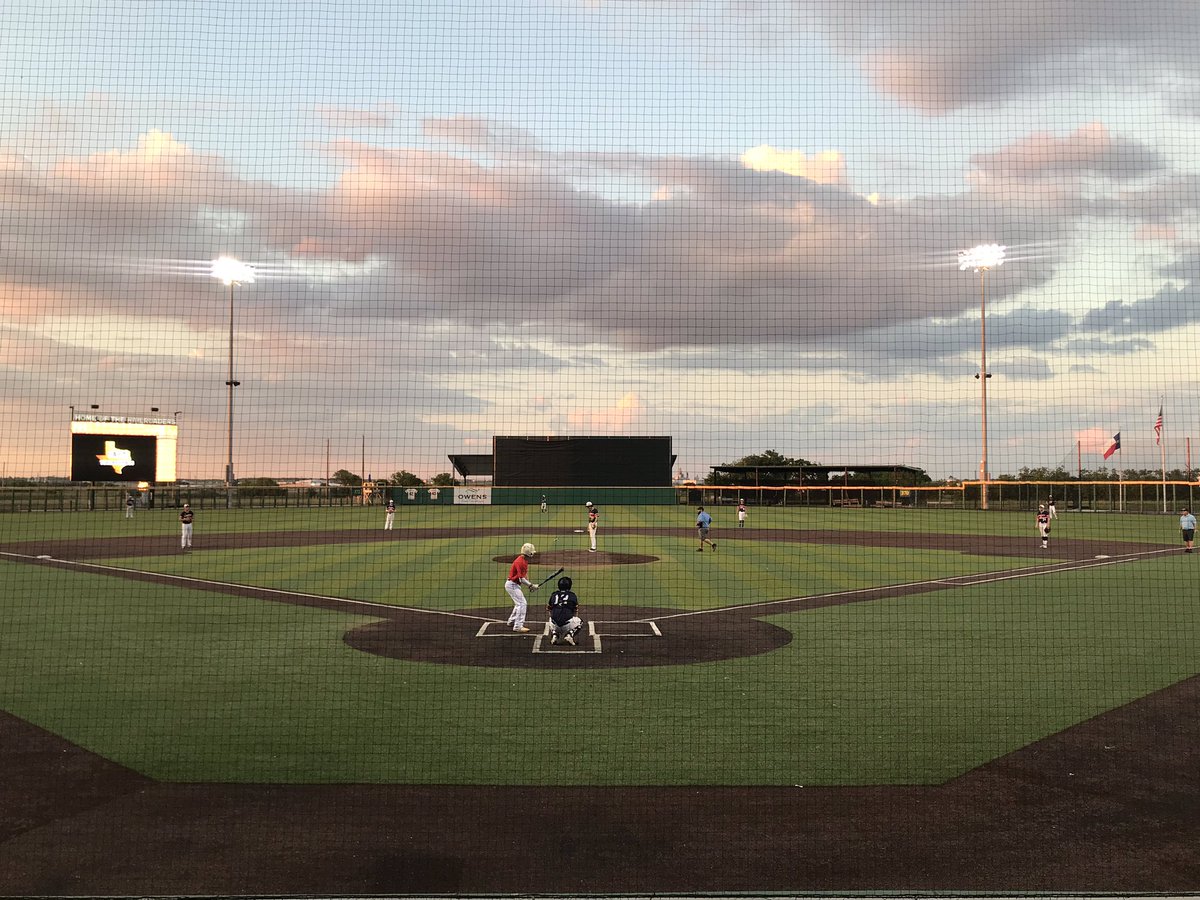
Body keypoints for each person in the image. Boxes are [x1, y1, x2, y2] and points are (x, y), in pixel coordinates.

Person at [504, 542, 539, 633]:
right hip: (512, 585)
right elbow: (521, 578)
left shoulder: (523, 560)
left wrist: (529, 585)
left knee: (519, 603)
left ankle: (511, 621)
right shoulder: (520, 562)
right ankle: (518, 626)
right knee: (522, 604)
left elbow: (524, 575)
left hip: (514, 585)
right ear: (529, 553)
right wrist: (531, 585)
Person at [546, 575, 583, 646]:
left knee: (551, 617)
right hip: (567, 625)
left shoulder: (554, 594)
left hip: (554, 624)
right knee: (580, 622)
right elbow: (576, 610)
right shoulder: (572, 595)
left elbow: (548, 608)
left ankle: (555, 635)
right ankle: (569, 635)